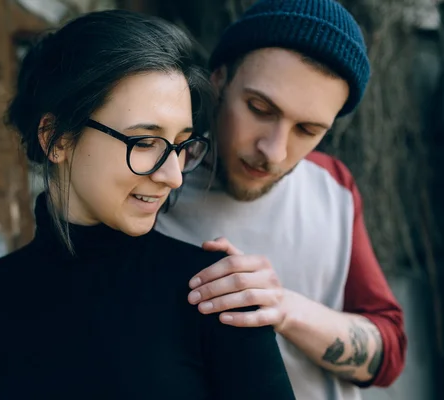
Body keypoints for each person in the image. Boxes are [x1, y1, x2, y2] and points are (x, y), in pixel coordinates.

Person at [0, 9, 295, 400]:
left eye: (181, 145)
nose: (174, 176)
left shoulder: (217, 296)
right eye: (144, 142)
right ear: (56, 138)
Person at [155, 1, 407, 399]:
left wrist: (284, 309)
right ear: (219, 79)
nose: (273, 151)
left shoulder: (333, 186)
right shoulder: (151, 186)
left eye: (307, 130)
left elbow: (388, 354)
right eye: (259, 109)